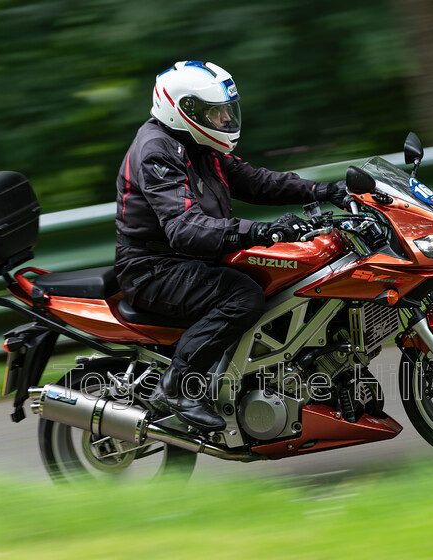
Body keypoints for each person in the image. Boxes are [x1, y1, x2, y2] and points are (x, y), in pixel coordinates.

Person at [113, 60, 349, 432]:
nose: (225, 120)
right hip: (154, 268)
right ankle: (177, 387)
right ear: (182, 110)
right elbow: (185, 229)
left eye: (227, 111)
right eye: (215, 112)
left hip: (194, 260)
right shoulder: (157, 152)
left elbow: (256, 181)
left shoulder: (199, 145)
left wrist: (323, 190)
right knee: (242, 297)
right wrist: (262, 232)